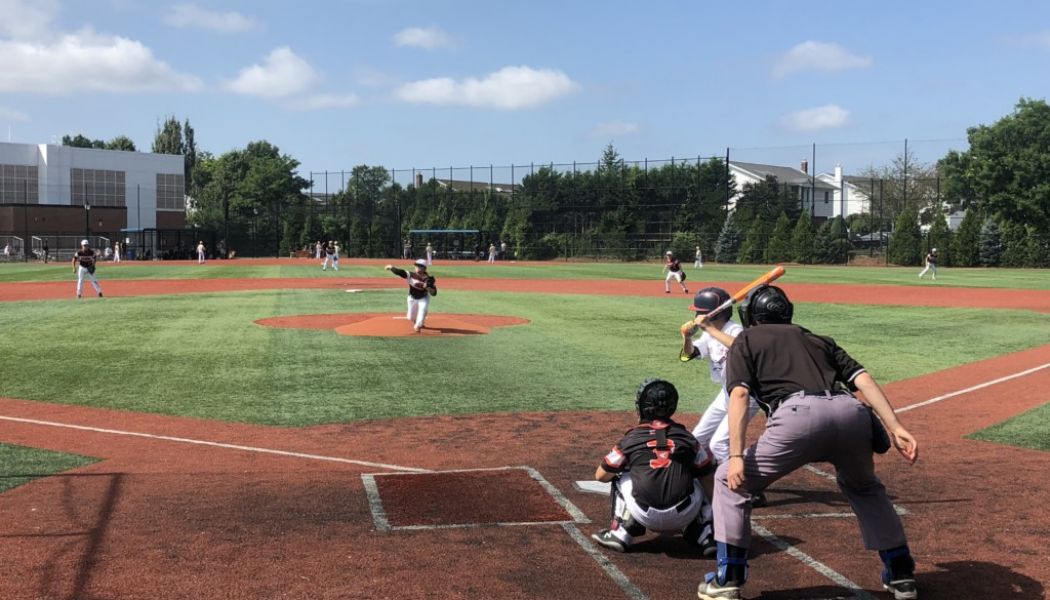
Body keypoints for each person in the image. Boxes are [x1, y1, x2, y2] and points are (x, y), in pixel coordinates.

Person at [696, 285, 920, 600]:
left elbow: (741, 395)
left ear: (751, 316)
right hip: (851, 414)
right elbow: (862, 379)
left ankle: (728, 577)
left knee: (729, 481)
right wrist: (895, 426)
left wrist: (734, 456)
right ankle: (901, 574)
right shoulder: (817, 339)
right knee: (865, 487)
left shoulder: (746, 340)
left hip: (797, 418)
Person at [590, 379, 717, 557]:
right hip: (685, 513)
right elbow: (709, 480)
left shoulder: (631, 438)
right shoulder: (688, 438)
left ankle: (621, 532)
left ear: (642, 406)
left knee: (618, 474)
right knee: (701, 473)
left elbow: (601, 475)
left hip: (644, 513)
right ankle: (706, 534)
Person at [680, 288, 766, 508]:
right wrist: (687, 338)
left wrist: (708, 327)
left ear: (715, 314)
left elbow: (740, 347)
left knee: (719, 443)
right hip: (726, 393)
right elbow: (688, 355)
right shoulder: (710, 332)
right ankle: (707, 480)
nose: (697, 315)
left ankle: (744, 489)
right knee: (696, 439)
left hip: (747, 393)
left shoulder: (736, 331)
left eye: (701, 312)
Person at [385, 259, 437, 332]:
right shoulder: (411, 275)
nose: (417, 267)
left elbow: (434, 293)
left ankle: (418, 325)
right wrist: (391, 267)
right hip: (412, 298)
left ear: (424, 268)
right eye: (416, 266)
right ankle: (416, 322)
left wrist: (428, 288)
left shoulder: (429, 279)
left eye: (419, 266)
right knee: (410, 317)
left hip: (423, 298)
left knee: (423, 309)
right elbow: (400, 272)